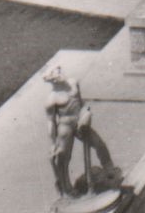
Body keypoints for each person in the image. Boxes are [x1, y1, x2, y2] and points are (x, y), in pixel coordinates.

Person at [46, 66, 114, 198]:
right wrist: (53, 142)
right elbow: (51, 122)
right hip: (65, 126)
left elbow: (82, 103)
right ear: (52, 80)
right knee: (63, 157)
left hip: (80, 120)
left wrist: (86, 112)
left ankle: (109, 167)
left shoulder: (73, 83)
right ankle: (66, 188)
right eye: (56, 73)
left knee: (98, 143)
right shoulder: (51, 99)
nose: (60, 74)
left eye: (60, 71)